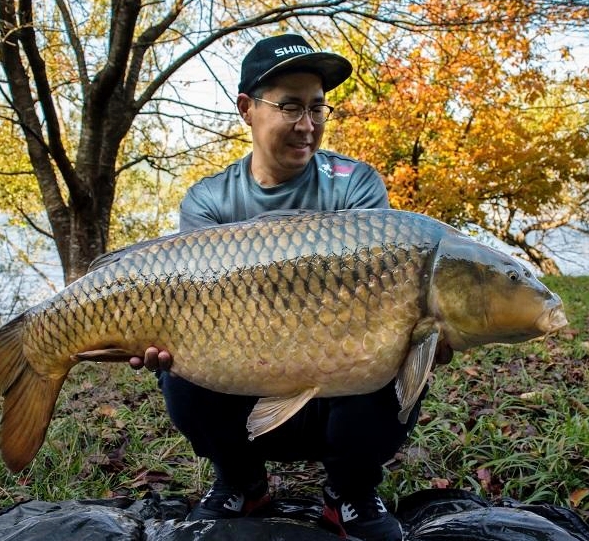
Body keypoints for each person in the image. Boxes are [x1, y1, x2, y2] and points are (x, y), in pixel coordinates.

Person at [130, 33, 452, 541]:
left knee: (397, 349)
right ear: (247, 109)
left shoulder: (355, 184)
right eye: (290, 107)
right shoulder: (209, 201)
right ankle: (242, 481)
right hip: (243, 380)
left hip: (339, 388)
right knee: (180, 367)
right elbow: (193, 303)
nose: (308, 125)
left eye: (318, 108)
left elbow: (378, 298)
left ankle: (349, 491)